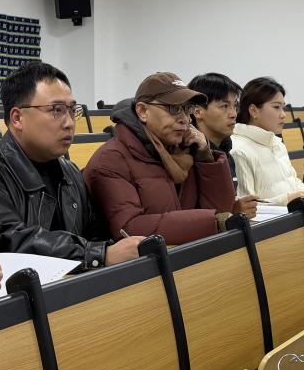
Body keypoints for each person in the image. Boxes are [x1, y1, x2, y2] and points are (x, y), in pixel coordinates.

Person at [0, 62, 144, 272]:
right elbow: (10, 246)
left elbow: (95, 234)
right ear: (17, 118)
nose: (69, 123)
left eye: (72, 110)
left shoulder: (70, 172)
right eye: (56, 110)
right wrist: (99, 255)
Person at [83, 72, 238, 245]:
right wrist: (211, 222)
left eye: (187, 109)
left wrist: (206, 158)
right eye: (174, 108)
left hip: (188, 253)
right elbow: (129, 229)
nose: (185, 119)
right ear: (143, 111)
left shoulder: (186, 151)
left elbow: (221, 210)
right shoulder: (111, 160)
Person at [230, 77, 304, 205]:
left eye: (283, 108)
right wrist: (286, 200)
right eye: (276, 107)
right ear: (254, 110)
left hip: (293, 214)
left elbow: (293, 185)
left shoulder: (276, 143)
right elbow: (246, 208)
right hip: (278, 217)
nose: (283, 115)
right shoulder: (238, 150)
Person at [189, 71, 257, 217]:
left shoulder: (226, 152)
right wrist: (232, 211)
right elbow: (194, 214)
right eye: (224, 106)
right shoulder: (188, 156)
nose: (234, 114)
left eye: (235, 106)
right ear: (197, 111)